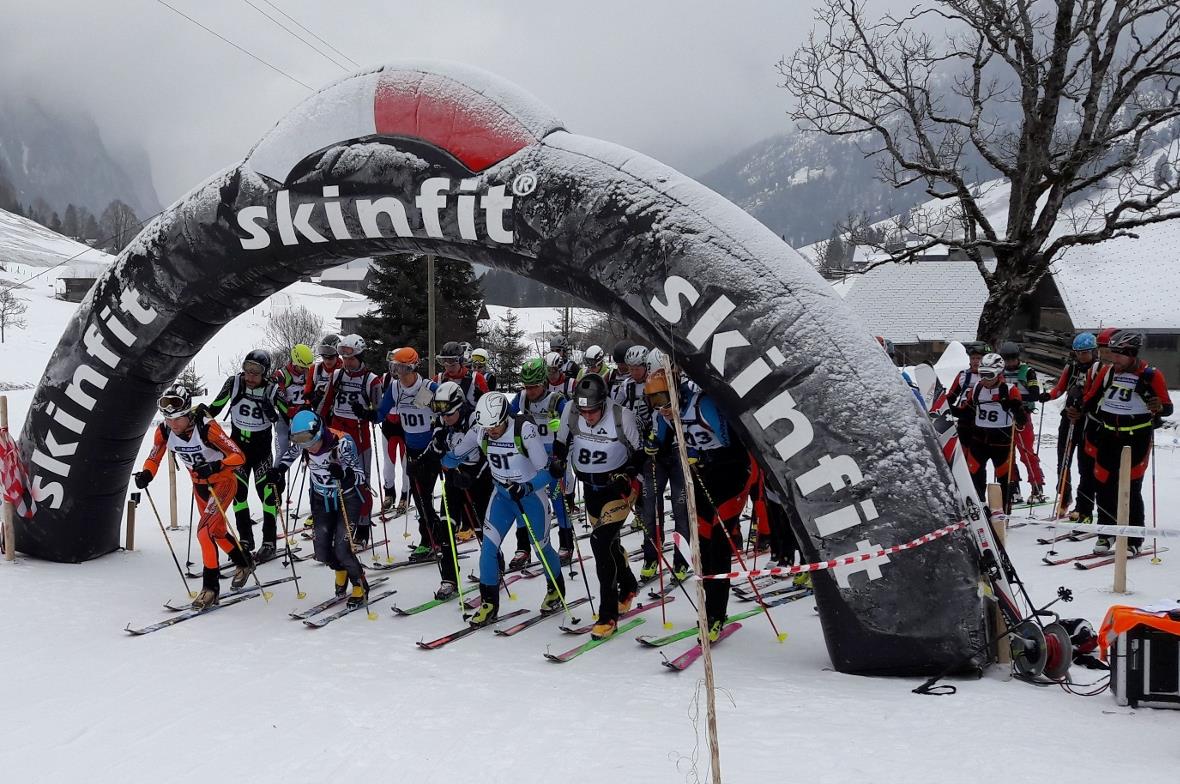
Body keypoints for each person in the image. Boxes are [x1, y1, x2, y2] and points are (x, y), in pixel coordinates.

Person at [441, 392, 566, 625]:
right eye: (486, 427)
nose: (491, 432)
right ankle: (489, 603)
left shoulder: (524, 430)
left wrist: (526, 487)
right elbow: (452, 458)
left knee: (541, 547)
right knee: (488, 548)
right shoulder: (480, 430)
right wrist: (441, 454)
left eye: (495, 426)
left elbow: (547, 472)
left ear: (505, 417)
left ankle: (555, 590)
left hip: (530, 499)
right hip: (502, 497)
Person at [134, 384, 254, 608]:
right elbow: (154, 456)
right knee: (216, 532)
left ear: (188, 413)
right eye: (169, 420)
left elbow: (238, 456)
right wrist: (146, 474)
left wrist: (216, 465)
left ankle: (210, 589)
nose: (173, 424)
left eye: (177, 419)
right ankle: (244, 562)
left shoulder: (207, 428)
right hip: (200, 487)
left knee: (203, 532)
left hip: (223, 483)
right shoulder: (164, 431)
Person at [550, 373, 643, 639]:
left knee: (600, 544)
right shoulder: (571, 410)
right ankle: (628, 585)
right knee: (610, 544)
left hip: (617, 490)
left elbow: (640, 452)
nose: (588, 417)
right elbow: (561, 442)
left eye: (592, 411)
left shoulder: (621, 416)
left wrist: (629, 476)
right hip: (590, 489)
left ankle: (608, 614)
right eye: (583, 411)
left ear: (603, 402)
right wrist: (557, 461)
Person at [675, 372, 759, 642]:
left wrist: (705, 456)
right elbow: (662, 442)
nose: (663, 410)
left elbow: (736, 446)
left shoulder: (703, 404)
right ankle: (709, 609)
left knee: (719, 548)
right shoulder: (669, 412)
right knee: (703, 547)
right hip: (702, 481)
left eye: (665, 402)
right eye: (657, 404)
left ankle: (716, 616)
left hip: (730, 478)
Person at [1073, 331, 1172, 555]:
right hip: (1108, 435)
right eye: (1111, 354)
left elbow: (1167, 407)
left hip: (1136, 437)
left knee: (1130, 488)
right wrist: (1077, 410)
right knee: (1103, 484)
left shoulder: (1150, 374)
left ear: (1131, 354)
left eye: (1118, 355)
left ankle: (1133, 540)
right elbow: (1091, 399)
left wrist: (1157, 405)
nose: (1113, 359)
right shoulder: (1107, 372)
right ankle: (1106, 534)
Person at [267, 411, 369, 607]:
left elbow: (360, 476)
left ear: (319, 431)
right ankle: (340, 570)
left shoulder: (342, 443)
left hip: (345, 498)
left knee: (342, 547)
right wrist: (278, 471)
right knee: (321, 550)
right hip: (321, 498)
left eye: (310, 443)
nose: (308, 449)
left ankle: (359, 583)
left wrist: (344, 474)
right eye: (302, 444)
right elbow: (290, 455)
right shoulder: (303, 442)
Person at [205, 350, 287, 559]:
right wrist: (195, 418)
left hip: (261, 451)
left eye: (256, 373)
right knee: (238, 494)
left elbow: (290, 416)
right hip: (237, 450)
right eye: (247, 371)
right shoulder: (233, 383)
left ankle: (269, 541)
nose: (250, 377)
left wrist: (273, 414)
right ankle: (245, 539)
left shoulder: (272, 389)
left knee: (268, 496)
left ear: (265, 373)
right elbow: (213, 409)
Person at [372, 347, 440, 560]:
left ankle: (431, 540)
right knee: (419, 498)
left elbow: (449, 412)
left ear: (412, 367)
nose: (399, 373)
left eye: (403, 368)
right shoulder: (394, 388)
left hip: (430, 450)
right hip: (411, 450)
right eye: (395, 367)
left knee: (423, 497)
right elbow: (382, 412)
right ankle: (433, 538)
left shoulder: (429, 388)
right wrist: (367, 413)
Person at [427, 381, 492, 599]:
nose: (445, 418)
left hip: (479, 482)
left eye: (449, 414)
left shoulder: (476, 421)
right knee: (447, 528)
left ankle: (495, 567)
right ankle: (449, 579)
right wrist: (424, 461)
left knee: (482, 527)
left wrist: (472, 477)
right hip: (453, 481)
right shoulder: (441, 422)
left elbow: (488, 458)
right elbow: (436, 450)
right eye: (442, 415)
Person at [317, 334, 383, 544]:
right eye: (344, 358)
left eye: (351, 358)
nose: (347, 362)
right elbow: (325, 404)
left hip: (359, 436)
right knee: (334, 479)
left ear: (360, 356)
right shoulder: (336, 375)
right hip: (336, 434)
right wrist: (316, 425)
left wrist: (366, 412)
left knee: (360, 483)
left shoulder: (372, 380)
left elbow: (379, 412)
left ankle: (363, 528)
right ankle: (339, 524)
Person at [510, 357, 571, 564]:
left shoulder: (556, 399)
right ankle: (523, 548)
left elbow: (575, 420)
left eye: (534, 386)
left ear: (543, 382)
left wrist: (561, 425)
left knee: (557, 501)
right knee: (523, 500)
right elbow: (505, 417)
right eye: (527, 386)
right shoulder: (522, 398)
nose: (531, 391)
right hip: (530, 458)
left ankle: (566, 545)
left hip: (552, 457)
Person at [637, 354, 691, 581]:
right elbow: (656, 426)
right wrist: (650, 443)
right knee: (649, 508)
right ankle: (651, 555)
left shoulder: (686, 392)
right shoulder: (652, 390)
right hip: (658, 460)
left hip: (680, 460)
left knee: (681, 510)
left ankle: (682, 559)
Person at [950, 352, 1027, 510]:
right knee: (975, 474)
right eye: (981, 374)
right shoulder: (978, 388)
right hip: (979, 442)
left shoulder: (1010, 390)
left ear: (999, 374)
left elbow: (1021, 423)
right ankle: (980, 507)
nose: (984, 379)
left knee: (1003, 478)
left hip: (1002, 444)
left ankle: (1004, 511)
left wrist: (1016, 409)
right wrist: (950, 409)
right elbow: (967, 411)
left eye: (989, 375)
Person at [1039, 333, 1099, 518]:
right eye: (1078, 352)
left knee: (1085, 465)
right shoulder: (1071, 367)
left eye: (1085, 352)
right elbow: (1060, 388)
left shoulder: (1099, 369)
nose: (1082, 356)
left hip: (1087, 421)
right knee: (1063, 461)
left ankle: (1083, 505)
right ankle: (1064, 499)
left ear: (1093, 351)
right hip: (1068, 418)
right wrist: (1048, 395)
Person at [999, 341, 1045, 504]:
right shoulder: (1000, 372)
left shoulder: (1028, 372)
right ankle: (1013, 488)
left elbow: (1034, 394)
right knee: (1007, 453)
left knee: (1026, 452)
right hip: (1004, 416)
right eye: (1007, 359)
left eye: (1013, 359)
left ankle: (1037, 485)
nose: (1010, 363)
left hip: (1022, 415)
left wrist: (1015, 399)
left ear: (1018, 358)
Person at [272, 344, 314, 469]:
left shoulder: (310, 373)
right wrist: (289, 412)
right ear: (294, 362)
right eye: (302, 367)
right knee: (282, 452)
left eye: (307, 367)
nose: (305, 370)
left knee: (312, 450)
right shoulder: (282, 375)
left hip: (304, 418)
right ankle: (276, 479)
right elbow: (277, 400)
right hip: (285, 418)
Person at [435, 340, 488, 406]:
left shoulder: (476, 378)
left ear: (460, 360)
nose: (448, 365)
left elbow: (487, 405)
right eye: (444, 360)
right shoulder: (438, 379)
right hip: (445, 416)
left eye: (451, 361)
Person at [946, 342, 992, 407]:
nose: (975, 361)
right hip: (963, 414)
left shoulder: (992, 376)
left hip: (984, 414)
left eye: (978, 358)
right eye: (972, 358)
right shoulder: (963, 375)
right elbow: (951, 397)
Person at [303, 334, 341, 411]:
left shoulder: (343, 369)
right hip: (319, 410)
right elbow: (307, 393)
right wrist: (316, 396)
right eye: (324, 357)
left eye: (331, 358)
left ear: (337, 355)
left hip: (336, 412)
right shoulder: (315, 369)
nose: (327, 361)